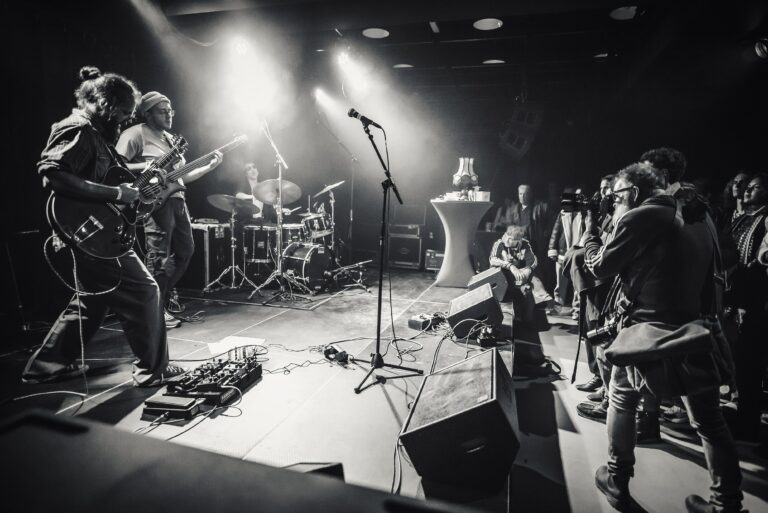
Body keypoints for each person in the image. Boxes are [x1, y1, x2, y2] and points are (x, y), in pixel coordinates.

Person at [584, 162, 743, 513]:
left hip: (646, 333)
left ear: (634, 193)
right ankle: (726, 503)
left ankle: (617, 481)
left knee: (622, 401)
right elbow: (712, 276)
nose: (613, 202)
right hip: (694, 330)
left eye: (617, 195)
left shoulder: (640, 217)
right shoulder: (701, 216)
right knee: (710, 422)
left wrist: (591, 235)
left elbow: (600, 267)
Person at [22, 66, 182, 387]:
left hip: (96, 233)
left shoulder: (99, 136)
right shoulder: (78, 128)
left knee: (91, 301)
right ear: (106, 106)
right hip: (87, 233)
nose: (125, 120)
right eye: (123, 113)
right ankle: (154, 370)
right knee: (145, 291)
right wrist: (116, 193)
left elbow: (118, 191)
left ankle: (45, 368)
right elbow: (53, 173)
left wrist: (141, 194)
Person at [116, 91, 223, 328]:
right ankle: (153, 309)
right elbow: (117, 166)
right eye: (162, 110)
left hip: (177, 200)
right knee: (159, 257)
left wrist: (209, 167)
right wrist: (149, 166)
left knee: (186, 251)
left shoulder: (171, 139)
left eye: (170, 110)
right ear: (148, 113)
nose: (168, 114)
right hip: (154, 202)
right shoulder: (135, 134)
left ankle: (160, 298)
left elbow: (181, 177)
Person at [726, 173, 768, 442]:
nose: (747, 191)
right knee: (745, 363)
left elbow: (761, 260)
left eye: (755, 187)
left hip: (759, 301)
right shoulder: (748, 218)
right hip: (746, 298)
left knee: (751, 363)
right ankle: (745, 419)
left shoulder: (765, 219)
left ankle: (749, 425)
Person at [489, 224, 538, 323]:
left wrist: (526, 271)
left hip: (518, 281)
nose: (507, 240)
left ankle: (527, 323)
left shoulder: (525, 244)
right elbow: (493, 260)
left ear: (518, 240)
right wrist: (511, 266)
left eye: (511, 239)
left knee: (527, 291)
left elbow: (532, 260)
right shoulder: (499, 244)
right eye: (507, 237)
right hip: (502, 282)